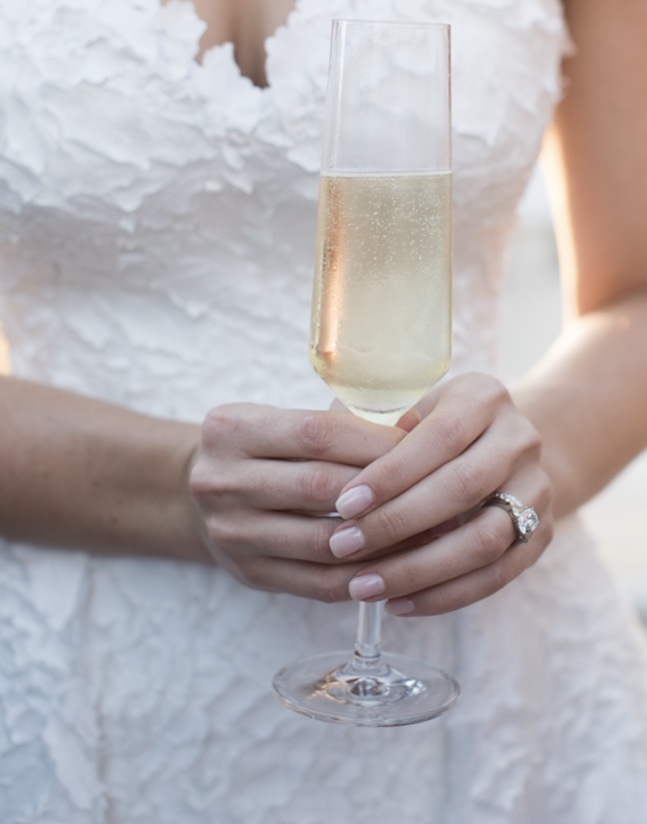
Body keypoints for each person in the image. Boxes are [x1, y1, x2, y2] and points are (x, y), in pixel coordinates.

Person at [1, 0, 646, 821]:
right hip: (78, 651)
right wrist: (171, 487)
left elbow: (635, 294)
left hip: (495, 656)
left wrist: (520, 464)